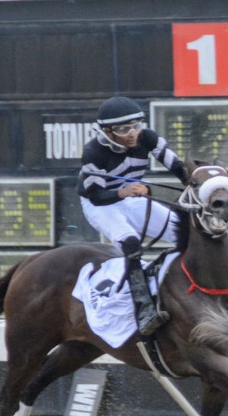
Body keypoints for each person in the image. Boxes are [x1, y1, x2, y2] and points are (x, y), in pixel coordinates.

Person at [77, 96, 190, 337]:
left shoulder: (146, 137)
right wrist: (124, 191)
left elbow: (177, 167)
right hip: (101, 204)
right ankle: (144, 308)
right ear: (107, 131)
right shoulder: (93, 152)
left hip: (131, 199)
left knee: (186, 233)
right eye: (123, 129)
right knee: (130, 243)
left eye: (136, 126)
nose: (132, 134)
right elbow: (95, 196)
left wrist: (194, 181)